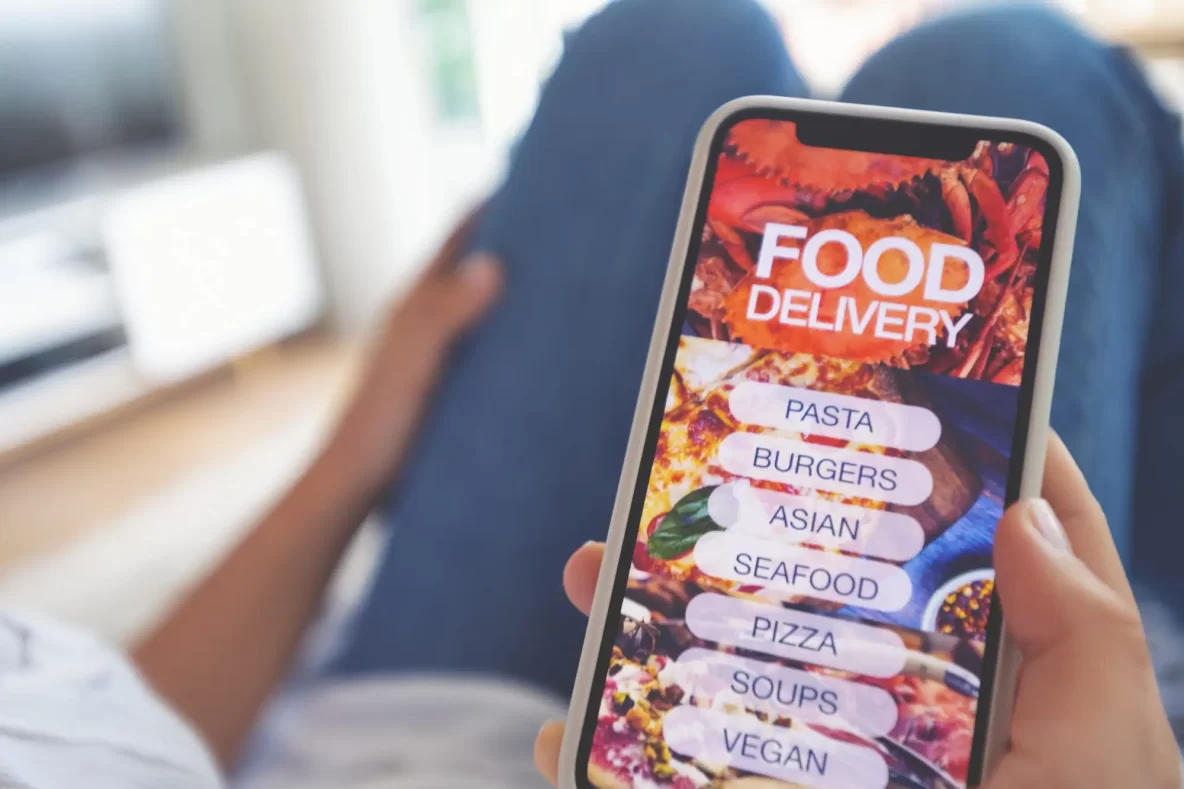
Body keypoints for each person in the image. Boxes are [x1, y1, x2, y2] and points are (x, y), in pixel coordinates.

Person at [1, 1, 1181, 787]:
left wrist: (354, 457)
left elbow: (108, 717)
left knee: (671, 33)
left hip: (393, 737)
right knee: (999, 72)